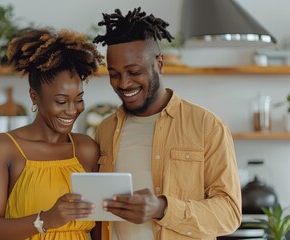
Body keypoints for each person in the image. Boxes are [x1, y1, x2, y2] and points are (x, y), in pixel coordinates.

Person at [93, 7, 242, 240]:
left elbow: (229, 214)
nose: (123, 83)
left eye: (134, 71)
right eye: (114, 74)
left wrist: (162, 208)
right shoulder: (105, 130)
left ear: (159, 64)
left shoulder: (207, 126)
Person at [0, 27, 104, 240]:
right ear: (34, 97)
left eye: (79, 99)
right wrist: (46, 220)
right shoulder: (3, 148)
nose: (72, 110)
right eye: (61, 101)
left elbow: (99, 230)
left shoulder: (87, 149)